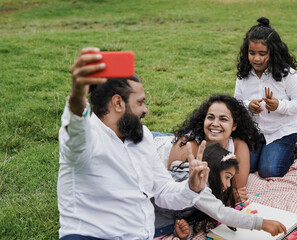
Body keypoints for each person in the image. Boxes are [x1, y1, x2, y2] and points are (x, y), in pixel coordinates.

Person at [57, 47, 210, 240]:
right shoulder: (87, 138)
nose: (145, 109)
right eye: (140, 102)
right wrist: (78, 96)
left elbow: (162, 190)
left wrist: (192, 187)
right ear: (118, 103)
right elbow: (75, 134)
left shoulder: (142, 136)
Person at [155, 143, 287, 239]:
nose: (229, 185)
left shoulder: (203, 190)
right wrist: (261, 223)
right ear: (213, 171)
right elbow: (221, 212)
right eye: (227, 177)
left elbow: (185, 214)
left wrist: (185, 232)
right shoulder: (198, 184)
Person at [234, 17, 297, 178]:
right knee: (245, 168)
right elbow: (236, 103)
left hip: (281, 131)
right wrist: (248, 105)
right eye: (252, 53)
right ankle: (264, 151)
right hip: (254, 132)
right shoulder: (244, 75)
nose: (256, 58)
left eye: (262, 54)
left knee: (269, 171)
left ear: (272, 52)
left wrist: (279, 106)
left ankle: (291, 152)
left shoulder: (287, 74)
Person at [167, 94, 261, 201]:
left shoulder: (238, 144)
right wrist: (225, 196)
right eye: (210, 117)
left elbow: (237, 188)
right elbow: (175, 188)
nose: (215, 124)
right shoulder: (187, 144)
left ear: (234, 126)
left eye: (223, 119)